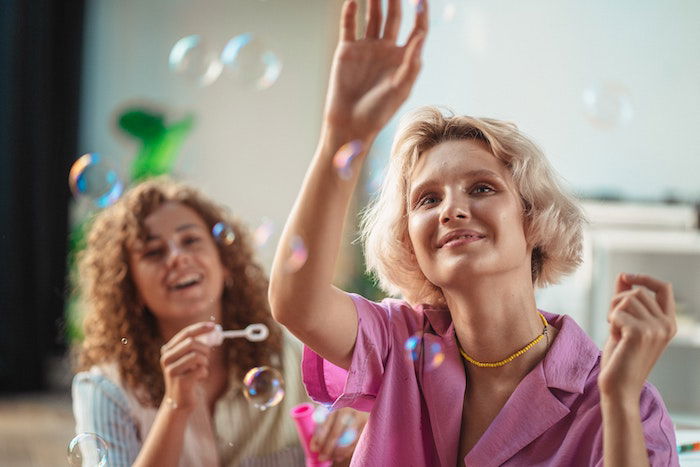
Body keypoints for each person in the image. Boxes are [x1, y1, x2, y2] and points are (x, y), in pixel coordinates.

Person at [269, 0, 679, 465]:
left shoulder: (621, 399)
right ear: (409, 238)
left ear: (532, 216)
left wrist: (619, 400)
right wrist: (343, 134)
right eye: (428, 199)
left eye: (481, 188)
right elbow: (295, 301)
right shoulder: (398, 341)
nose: (452, 210)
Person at [71, 177, 367, 467]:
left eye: (191, 240)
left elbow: (356, 436)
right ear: (128, 288)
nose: (177, 257)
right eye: (154, 252)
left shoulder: (296, 358)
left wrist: (356, 429)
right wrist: (176, 405)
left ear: (225, 264)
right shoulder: (104, 390)